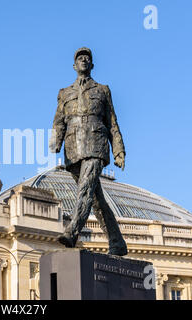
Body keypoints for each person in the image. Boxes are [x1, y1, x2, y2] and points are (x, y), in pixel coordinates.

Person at [49, 47, 127, 256]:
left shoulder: (102, 90)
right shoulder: (64, 93)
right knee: (95, 199)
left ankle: (72, 231)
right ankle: (117, 242)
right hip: (73, 147)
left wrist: (119, 150)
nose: (83, 60)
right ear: (74, 66)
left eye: (87, 58)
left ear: (92, 65)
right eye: (80, 58)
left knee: (84, 189)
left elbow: (112, 123)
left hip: (96, 144)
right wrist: (55, 141)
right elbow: (58, 121)